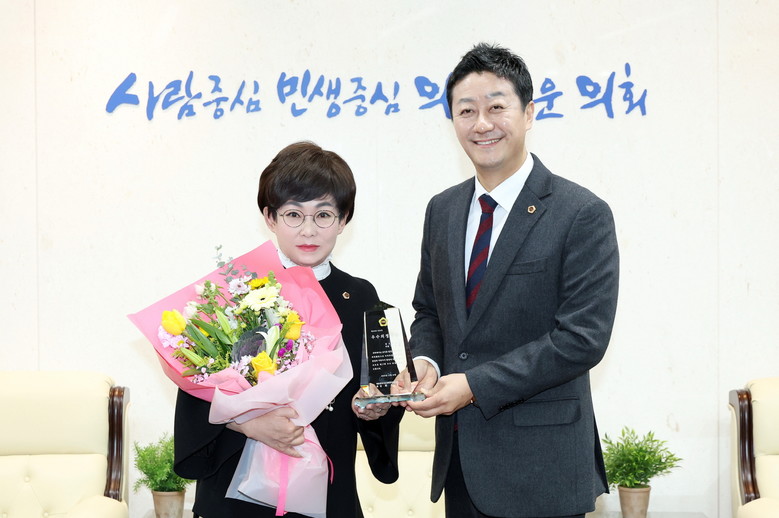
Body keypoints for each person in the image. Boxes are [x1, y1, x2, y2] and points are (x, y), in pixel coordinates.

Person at [395, 43, 620, 518]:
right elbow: (430, 310)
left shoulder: (581, 213)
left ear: (529, 112)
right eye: (466, 111)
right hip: (460, 463)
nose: (482, 124)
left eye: (497, 107)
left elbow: (581, 339)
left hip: (543, 469)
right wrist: (425, 361)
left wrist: (473, 385)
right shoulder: (443, 210)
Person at [174, 141, 403, 518]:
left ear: (344, 219)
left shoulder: (363, 297)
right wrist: (249, 424)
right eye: (294, 214)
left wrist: (375, 409)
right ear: (270, 217)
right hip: (236, 495)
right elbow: (197, 393)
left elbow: (381, 396)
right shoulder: (236, 289)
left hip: (327, 490)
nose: (308, 230)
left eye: (324, 214)